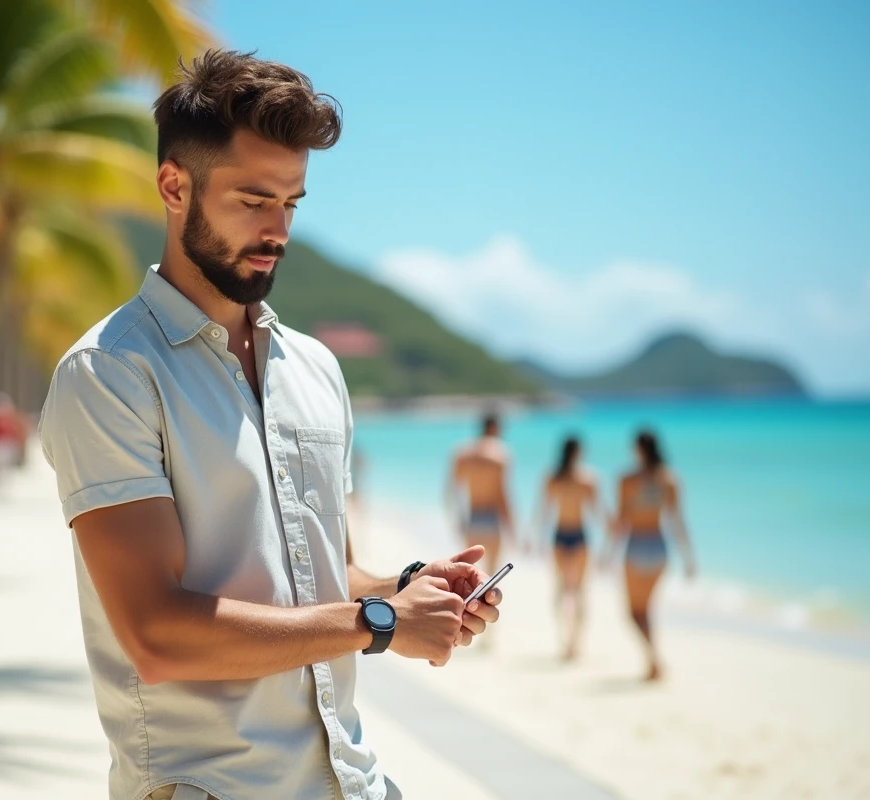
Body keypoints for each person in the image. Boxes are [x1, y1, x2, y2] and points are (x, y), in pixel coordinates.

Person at [38, 50, 503, 800]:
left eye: (292, 203)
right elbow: (155, 635)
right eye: (253, 200)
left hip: (349, 780)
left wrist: (410, 591)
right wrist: (379, 621)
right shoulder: (110, 374)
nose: (277, 229)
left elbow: (327, 575)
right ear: (173, 185)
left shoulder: (314, 367)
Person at [611, 429, 696, 681]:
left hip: (636, 545)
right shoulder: (669, 479)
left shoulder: (627, 479)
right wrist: (689, 558)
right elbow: (677, 521)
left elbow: (621, 521)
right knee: (647, 609)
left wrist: (606, 552)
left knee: (633, 612)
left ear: (637, 449)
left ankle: (654, 659)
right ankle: (652, 663)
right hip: (659, 546)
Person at [536, 436, 603, 661]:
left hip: (561, 535)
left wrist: (536, 539)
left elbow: (544, 511)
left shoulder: (554, 477)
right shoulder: (587, 478)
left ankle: (566, 641)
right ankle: (573, 642)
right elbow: (597, 511)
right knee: (578, 590)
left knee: (563, 589)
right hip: (578, 536)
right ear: (578, 453)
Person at [447, 412, 515, 576]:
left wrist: (459, 518)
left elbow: (452, 491)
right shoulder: (500, 454)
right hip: (492, 518)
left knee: (468, 575)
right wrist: (512, 526)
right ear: (494, 428)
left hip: (473, 517)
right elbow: (502, 495)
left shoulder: (462, 454)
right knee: (491, 576)